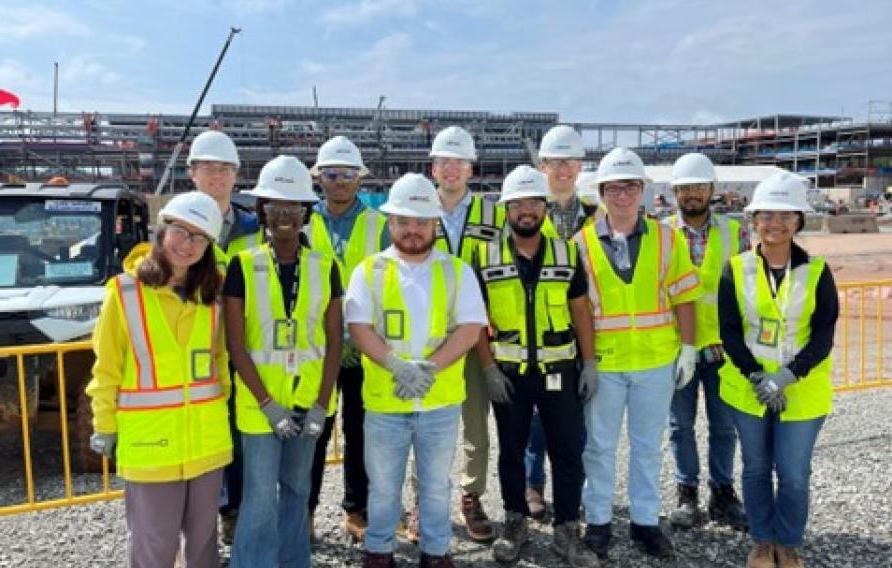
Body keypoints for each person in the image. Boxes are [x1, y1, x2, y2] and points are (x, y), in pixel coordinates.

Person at [345, 173, 487, 568]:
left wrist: (427, 368)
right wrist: (395, 365)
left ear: (435, 224)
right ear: (390, 223)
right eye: (404, 221)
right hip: (385, 402)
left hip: (439, 401)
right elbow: (359, 327)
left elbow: (471, 327)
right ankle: (379, 549)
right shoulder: (369, 271)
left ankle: (436, 551)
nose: (412, 230)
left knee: (437, 487)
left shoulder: (456, 270)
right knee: (384, 487)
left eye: (421, 221)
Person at [86, 191, 231, 568]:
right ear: (162, 230)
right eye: (181, 232)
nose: (188, 244)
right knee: (154, 545)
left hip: (206, 441)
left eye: (199, 237)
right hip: (151, 443)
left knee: (203, 546)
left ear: (210, 246)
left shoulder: (213, 293)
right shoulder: (124, 293)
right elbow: (106, 368)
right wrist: (104, 424)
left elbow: (222, 360)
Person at [573, 147, 702, 561]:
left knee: (648, 446)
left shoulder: (668, 238)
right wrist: (588, 361)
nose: (622, 195)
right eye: (614, 187)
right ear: (602, 192)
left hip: (655, 361)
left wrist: (688, 348)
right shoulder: (580, 243)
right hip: (607, 364)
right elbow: (579, 309)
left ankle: (645, 523)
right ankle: (598, 523)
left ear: (642, 191)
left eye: (630, 186)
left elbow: (684, 296)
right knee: (599, 446)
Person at [476, 166, 600, 567]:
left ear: (544, 207)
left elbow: (580, 310)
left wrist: (589, 363)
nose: (526, 210)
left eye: (533, 202)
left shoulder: (566, 252)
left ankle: (567, 530)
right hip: (509, 374)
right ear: (506, 209)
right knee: (510, 451)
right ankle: (515, 521)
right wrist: (488, 368)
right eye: (518, 204)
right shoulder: (486, 255)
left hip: (559, 370)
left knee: (567, 451)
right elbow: (475, 318)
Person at [224, 156, 342, 568]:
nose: (284, 216)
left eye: (293, 208)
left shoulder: (326, 268)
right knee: (258, 497)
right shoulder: (243, 265)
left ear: (306, 213)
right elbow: (236, 344)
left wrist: (321, 406)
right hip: (261, 408)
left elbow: (332, 344)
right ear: (262, 212)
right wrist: (266, 404)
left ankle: (294, 562)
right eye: (275, 207)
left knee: (296, 490)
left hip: (307, 400)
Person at [718, 172, 838, 568]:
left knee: (793, 472)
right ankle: (761, 541)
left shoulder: (818, 271)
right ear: (753, 221)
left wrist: (784, 377)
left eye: (786, 216)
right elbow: (731, 332)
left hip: (801, 390)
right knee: (754, 469)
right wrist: (758, 377)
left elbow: (822, 335)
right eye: (766, 215)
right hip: (747, 388)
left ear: (799, 221)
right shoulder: (734, 269)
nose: (775, 224)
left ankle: (787, 542)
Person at [305, 136, 388, 542]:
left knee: (360, 432)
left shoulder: (380, 225)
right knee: (314, 432)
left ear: (360, 179)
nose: (340, 181)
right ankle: (304, 511)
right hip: (314, 349)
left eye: (348, 174)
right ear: (319, 177)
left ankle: (357, 508)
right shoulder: (304, 223)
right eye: (332, 174)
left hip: (363, 349)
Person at [664, 153, 749, 531]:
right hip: (676, 347)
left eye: (699, 186)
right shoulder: (660, 233)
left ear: (711, 189)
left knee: (724, 426)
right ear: (675, 191)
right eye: (686, 187)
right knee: (679, 425)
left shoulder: (736, 231)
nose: (693, 193)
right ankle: (686, 493)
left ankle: (722, 492)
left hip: (723, 349)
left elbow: (752, 287)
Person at [430, 126, 505, 542]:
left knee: (476, 423)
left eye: (459, 161)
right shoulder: (417, 208)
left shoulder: (494, 215)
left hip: (479, 336)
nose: (452, 169)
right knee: (424, 421)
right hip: (428, 336)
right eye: (445, 161)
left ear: (471, 168)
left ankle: (472, 495)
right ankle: (425, 500)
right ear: (433, 168)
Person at [185, 129, 262, 541]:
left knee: (245, 433)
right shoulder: (181, 226)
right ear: (193, 173)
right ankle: (208, 514)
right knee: (210, 432)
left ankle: (237, 510)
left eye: (225, 169)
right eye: (208, 168)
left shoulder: (254, 225)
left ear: (236, 175)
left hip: (249, 349)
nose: (217, 176)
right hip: (203, 351)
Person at [524, 126, 589, 519]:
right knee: (536, 419)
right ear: (541, 165)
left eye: (569, 162)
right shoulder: (524, 213)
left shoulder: (596, 217)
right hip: (537, 336)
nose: (562, 170)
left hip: (582, 333)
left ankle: (571, 488)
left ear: (580, 166)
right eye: (554, 162)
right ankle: (533, 485)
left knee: (574, 420)